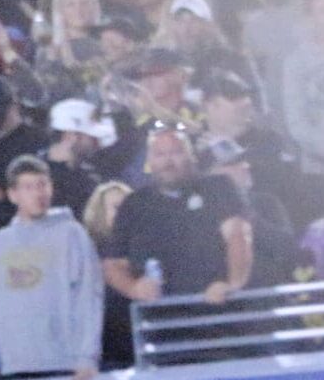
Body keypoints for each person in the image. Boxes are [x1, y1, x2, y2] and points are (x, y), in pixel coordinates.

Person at [0, 157, 104, 380]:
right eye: (28, 187)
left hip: (64, 365)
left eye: (42, 184)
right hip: (10, 366)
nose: (38, 193)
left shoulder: (72, 235)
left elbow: (89, 298)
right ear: (13, 195)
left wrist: (87, 358)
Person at [101, 124, 253, 306]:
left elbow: (238, 235)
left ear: (191, 156)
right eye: (160, 155)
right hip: (160, 323)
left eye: (176, 153)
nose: (168, 162)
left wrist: (232, 284)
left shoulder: (218, 187)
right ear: (149, 162)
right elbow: (113, 264)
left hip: (219, 311)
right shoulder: (133, 204)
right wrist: (134, 288)